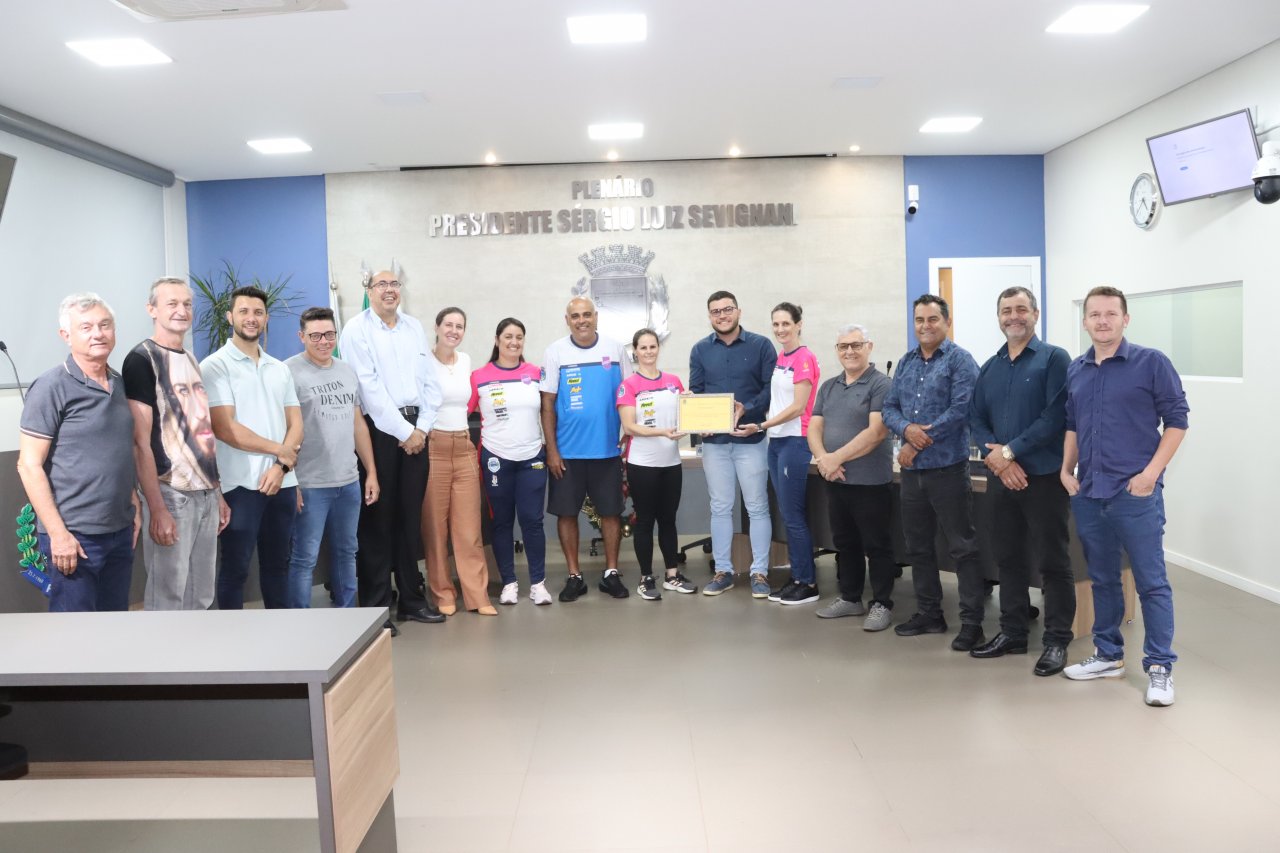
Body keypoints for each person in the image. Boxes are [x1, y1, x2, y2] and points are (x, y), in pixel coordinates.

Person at [1061, 286, 1188, 707]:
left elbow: (1177, 422)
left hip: (1135, 493)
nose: (1102, 320)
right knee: (1102, 579)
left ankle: (1159, 668)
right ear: (1085, 321)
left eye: (1110, 314)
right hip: (1090, 492)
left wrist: (1151, 474)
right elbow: (1073, 425)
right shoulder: (1077, 369)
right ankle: (1108, 654)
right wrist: (1066, 469)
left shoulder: (1151, 363)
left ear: (1125, 319)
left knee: (1151, 583)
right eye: (1094, 314)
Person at [969, 286, 1075, 676]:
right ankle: (1013, 632)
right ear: (998, 317)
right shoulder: (990, 366)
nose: (1013, 316)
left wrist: (1009, 452)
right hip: (1001, 478)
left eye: (1021, 309)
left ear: (1036, 314)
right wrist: (997, 460)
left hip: (1044, 477)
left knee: (1053, 561)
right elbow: (976, 419)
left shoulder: (1054, 360)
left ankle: (1056, 640)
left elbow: (1055, 416)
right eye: (1006, 311)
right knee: (1007, 557)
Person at [17, 293, 141, 612]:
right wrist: (58, 534)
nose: (97, 333)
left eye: (104, 325)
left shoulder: (120, 383)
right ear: (66, 335)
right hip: (73, 537)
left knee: (114, 623)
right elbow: (29, 466)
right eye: (85, 327)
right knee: (73, 638)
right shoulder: (50, 386)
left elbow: (120, 450)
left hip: (119, 530)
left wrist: (133, 499)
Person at [338, 270, 444, 625]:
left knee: (409, 520)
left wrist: (422, 428)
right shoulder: (357, 328)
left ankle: (412, 601)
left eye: (394, 284)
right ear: (368, 292)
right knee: (378, 521)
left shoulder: (413, 327)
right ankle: (377, 609)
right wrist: (404, 430)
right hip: (380, 431)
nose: (389, 290)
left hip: (418, 431)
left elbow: (431, 381)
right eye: (381, 285)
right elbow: (367, 386)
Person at [881, 294, 985, 650]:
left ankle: (972, 623)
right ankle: (930, 614)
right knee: (918, 547)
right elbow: (889, 408)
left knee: (962, 548)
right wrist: (906, 430)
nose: (925, 326)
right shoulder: (907, 362)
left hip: (947, 471)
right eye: (919, 320)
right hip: (913, 475)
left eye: (932, 319)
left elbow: (962, 410)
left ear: (946, 322)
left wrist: (917, 440)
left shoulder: (960, 361)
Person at [123, 276, 230, 611]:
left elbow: (202, 433)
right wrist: (157, 507)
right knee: (168, 596)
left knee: (201, 594)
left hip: (206, 493)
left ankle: (196, 661)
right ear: (151, 309)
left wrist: (218, 493)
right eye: (172, 303)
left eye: (186, 304)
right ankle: (162, 662)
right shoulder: (142, 360)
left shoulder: (192, 359)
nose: (181, 310)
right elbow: (140, 442)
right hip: (172, 493)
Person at [201, 285, 303, 610]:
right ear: (230, 316)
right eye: (243, 311)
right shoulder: (214, 366)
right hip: (239, 486)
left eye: (258, 312)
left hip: (282, 483)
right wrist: (280, 451)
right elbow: (225, 428)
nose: (251, 318)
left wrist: (281, 467)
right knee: (235, 570)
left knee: (278, 567)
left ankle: (281, 638)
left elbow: (296, 424)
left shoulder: (279, 368)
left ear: (266, 318)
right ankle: (234, 647)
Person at [285, 307, 380, 609]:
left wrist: (371, 472)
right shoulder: (287, 372)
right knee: (304, 558)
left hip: (348, 482)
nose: (323, 341)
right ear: (302, 337)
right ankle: (300, 624)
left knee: (346, 553)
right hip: (310, 484)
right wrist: (291, 480)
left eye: (329, 334)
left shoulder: (345, 370)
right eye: (315, 335)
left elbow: (357, 425)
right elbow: (282, 430)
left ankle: (347, 618)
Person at [541, 296, 632, 602]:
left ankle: (610, 573)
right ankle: (574, 576)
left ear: (596, 317)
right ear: (567, 320)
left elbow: (630, 394)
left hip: (607, 451)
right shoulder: (555, 352)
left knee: (610, 514)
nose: (582, 320)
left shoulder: (616, 349)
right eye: (575, 316)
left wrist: (629, 436)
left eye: (587, 315)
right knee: (566, 514)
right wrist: (552, 450)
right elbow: (547, 405)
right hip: (567, 455)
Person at [808, 324, 896, 631]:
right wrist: (823, 459)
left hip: (870, 481)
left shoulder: (880, 385)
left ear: (869, 347)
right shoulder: (829, 386)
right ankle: (850, 598)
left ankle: (882, 603)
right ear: (837, 351)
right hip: (836, 479)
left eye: (856, 345)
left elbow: (876, 432)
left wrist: (835, 458)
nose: (850, 351)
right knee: (845, 543)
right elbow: (814, 427)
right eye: (843, 346)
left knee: (878, 545)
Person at [689, 290, 776, 598]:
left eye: (727, 310)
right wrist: (698, 421)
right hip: (715, 445)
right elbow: (696, 392)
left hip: (751, 439)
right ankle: (723, 570)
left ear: (738, 312)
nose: (722, 315)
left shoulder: (761, 345)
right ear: (709, 316)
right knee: (720, 507)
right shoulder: (700, 350)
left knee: (757, 507)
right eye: (715, 311)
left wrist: (746, 409)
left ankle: (760, 572)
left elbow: (771, 389)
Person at [736, 302, 820, 605]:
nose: (780, 330)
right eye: (776, 324)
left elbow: (798, 407)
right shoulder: (782, 357)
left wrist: (760, 424)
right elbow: (773, 398)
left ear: (799, 324)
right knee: (787, 513)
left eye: (786, 324)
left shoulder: (805, 358)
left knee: (794, 516)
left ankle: (807, 583)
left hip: (795, 441)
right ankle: (797, 578)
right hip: (776, 441)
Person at [470, 318, 551, 605]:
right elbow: (462, 414)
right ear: (497, 340)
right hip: (496, 459)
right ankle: (509, 583)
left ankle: (538, 584)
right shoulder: (478, 376)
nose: (514, 342)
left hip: (531, 458)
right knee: (502, 523)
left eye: (519, 337)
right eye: (508, 337)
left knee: (532, 522)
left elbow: (549, 411)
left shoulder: (536, 373)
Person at [424, 307, 494, 615]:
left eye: (460, 326)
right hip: (433, 447)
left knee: (469, 530)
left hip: (464, 445)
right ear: (437, 328)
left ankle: (477, 596)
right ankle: (443, 594)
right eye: (449, 325)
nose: (454, 330)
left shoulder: (465, 361)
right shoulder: (422, 362)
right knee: (435, 529)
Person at [617, 328, 696, 600]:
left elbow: (684, 419)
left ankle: (672, 575)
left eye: (653, 347)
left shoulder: (674, 381)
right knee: (645, 522)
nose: (649, 352)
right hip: (642, 464)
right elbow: (629, 426)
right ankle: (645, 577)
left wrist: (692, 421)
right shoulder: (629, 385)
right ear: (635, 352)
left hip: (671, 462)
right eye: (643, 348)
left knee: (668, 520)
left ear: (658, 349)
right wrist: (662, 432)